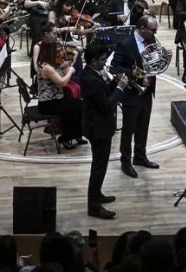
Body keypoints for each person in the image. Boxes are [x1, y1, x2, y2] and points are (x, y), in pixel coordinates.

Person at [112, 15, 162, 178]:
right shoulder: (125, 44)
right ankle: (125, 161)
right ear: (142, 29)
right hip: (132, 92)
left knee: (143, 126)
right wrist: (131, 73)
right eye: (153, 29)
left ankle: (140, 157)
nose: (155, 32)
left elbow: (154, 62)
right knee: (129, 129)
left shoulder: (151, 40)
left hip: (147, 90)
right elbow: (115, 67)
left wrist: (163, 58)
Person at [82, 40, 127, 219]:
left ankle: (97, 194)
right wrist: (119, 88)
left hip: (98, 125)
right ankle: (93, 206)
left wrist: (111, 85)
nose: (105, 62)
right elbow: (106, 104)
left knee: (100, 165)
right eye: (102, 60)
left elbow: (103, 95)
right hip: (98, 129)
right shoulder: (90, 79)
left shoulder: (92, 73)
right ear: (93, 61)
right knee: (99, 167)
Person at [34, 30, 85, 149]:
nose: (60, 51)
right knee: (71, 109)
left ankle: (77, 134)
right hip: (48, 103)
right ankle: (65, 138)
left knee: (80, 105)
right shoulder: (46, 67)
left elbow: (66, 73)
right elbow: (63, 82)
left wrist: (69, 64)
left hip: (57, 98)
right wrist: (71, 69)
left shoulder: (54, 62)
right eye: (57, 50)